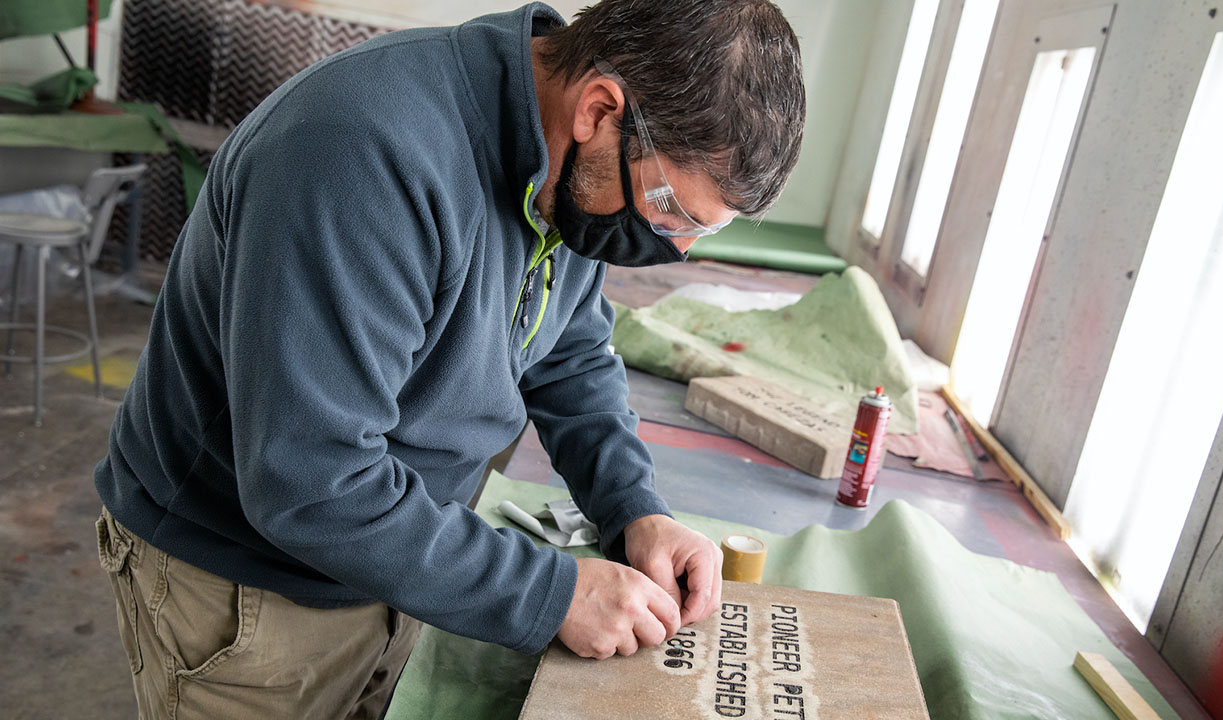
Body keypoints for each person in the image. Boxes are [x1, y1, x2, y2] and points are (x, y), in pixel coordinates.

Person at [93, 0, 805, 716]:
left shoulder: (569, 170)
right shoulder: (360, 154)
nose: (676, 249)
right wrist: (550, 592)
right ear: (599, 109)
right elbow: (310, 481)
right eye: (673, 214)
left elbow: (569, 354)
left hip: (398, 560)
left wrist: (635, 511)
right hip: (248, 590)